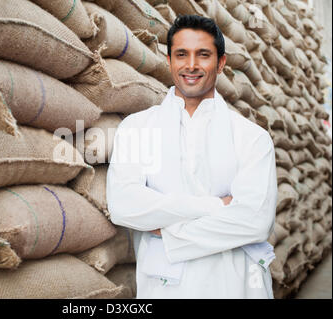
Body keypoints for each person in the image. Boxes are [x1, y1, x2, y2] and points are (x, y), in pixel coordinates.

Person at [106, 14, 278, 298]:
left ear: (221, 63)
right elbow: (124, 205)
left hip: (236, 287)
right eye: (182, 54)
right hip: (165, 289)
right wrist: (215, 207)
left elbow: (255, 221)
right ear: (169, 60)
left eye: (204, 55)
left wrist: (167, 232)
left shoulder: (252, 137)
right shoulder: (136, 128)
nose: (191, 65)